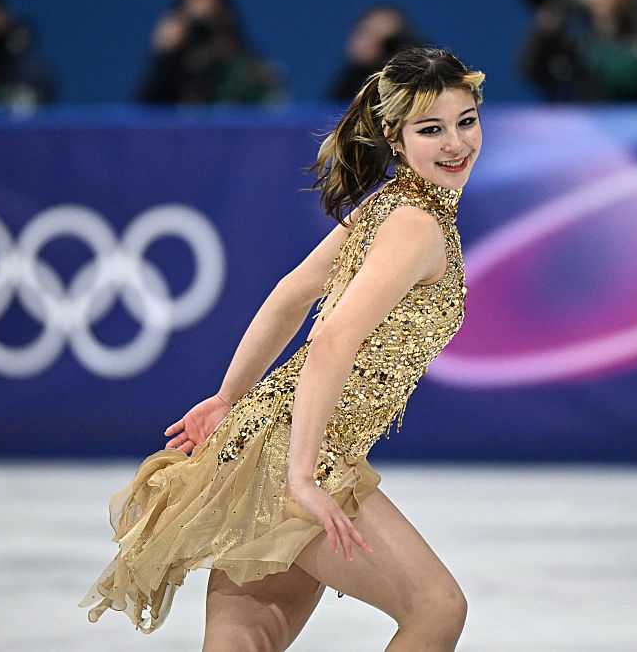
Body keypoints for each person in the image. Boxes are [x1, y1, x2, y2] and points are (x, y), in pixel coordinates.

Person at [79, 46, 484, 650]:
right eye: (432, 130)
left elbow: (290, 294)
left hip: (263, 437)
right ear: (396, 140)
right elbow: (332, 339)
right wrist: (302, 478)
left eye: (466, 121)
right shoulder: (414, 224)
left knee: (249, 641)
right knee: (436, 607)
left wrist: (228, 399)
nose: (455, 144)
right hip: (303, 456)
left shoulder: (389, 206)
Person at [136, 0, 285, 105]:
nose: (202, 35)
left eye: (209, 23)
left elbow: (272, 128)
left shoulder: (254, 74)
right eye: (195, 25)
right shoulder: (171, 75)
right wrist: (163, 58)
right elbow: (141, 127)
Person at [327, 5, 422, 101]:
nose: (366, 42)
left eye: (388, 41)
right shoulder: (347, 82)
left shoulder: (413, 87)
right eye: (364, 31)